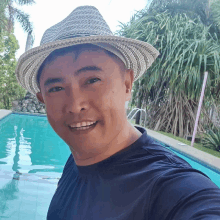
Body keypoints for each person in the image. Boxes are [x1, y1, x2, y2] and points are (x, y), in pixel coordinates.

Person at [15, 5, 220, 220]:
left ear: (127, 84)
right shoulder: (77, 161)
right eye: (56, 88)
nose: (75, 105)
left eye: (92, 80)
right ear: (43, 99)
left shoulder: (171, 187)